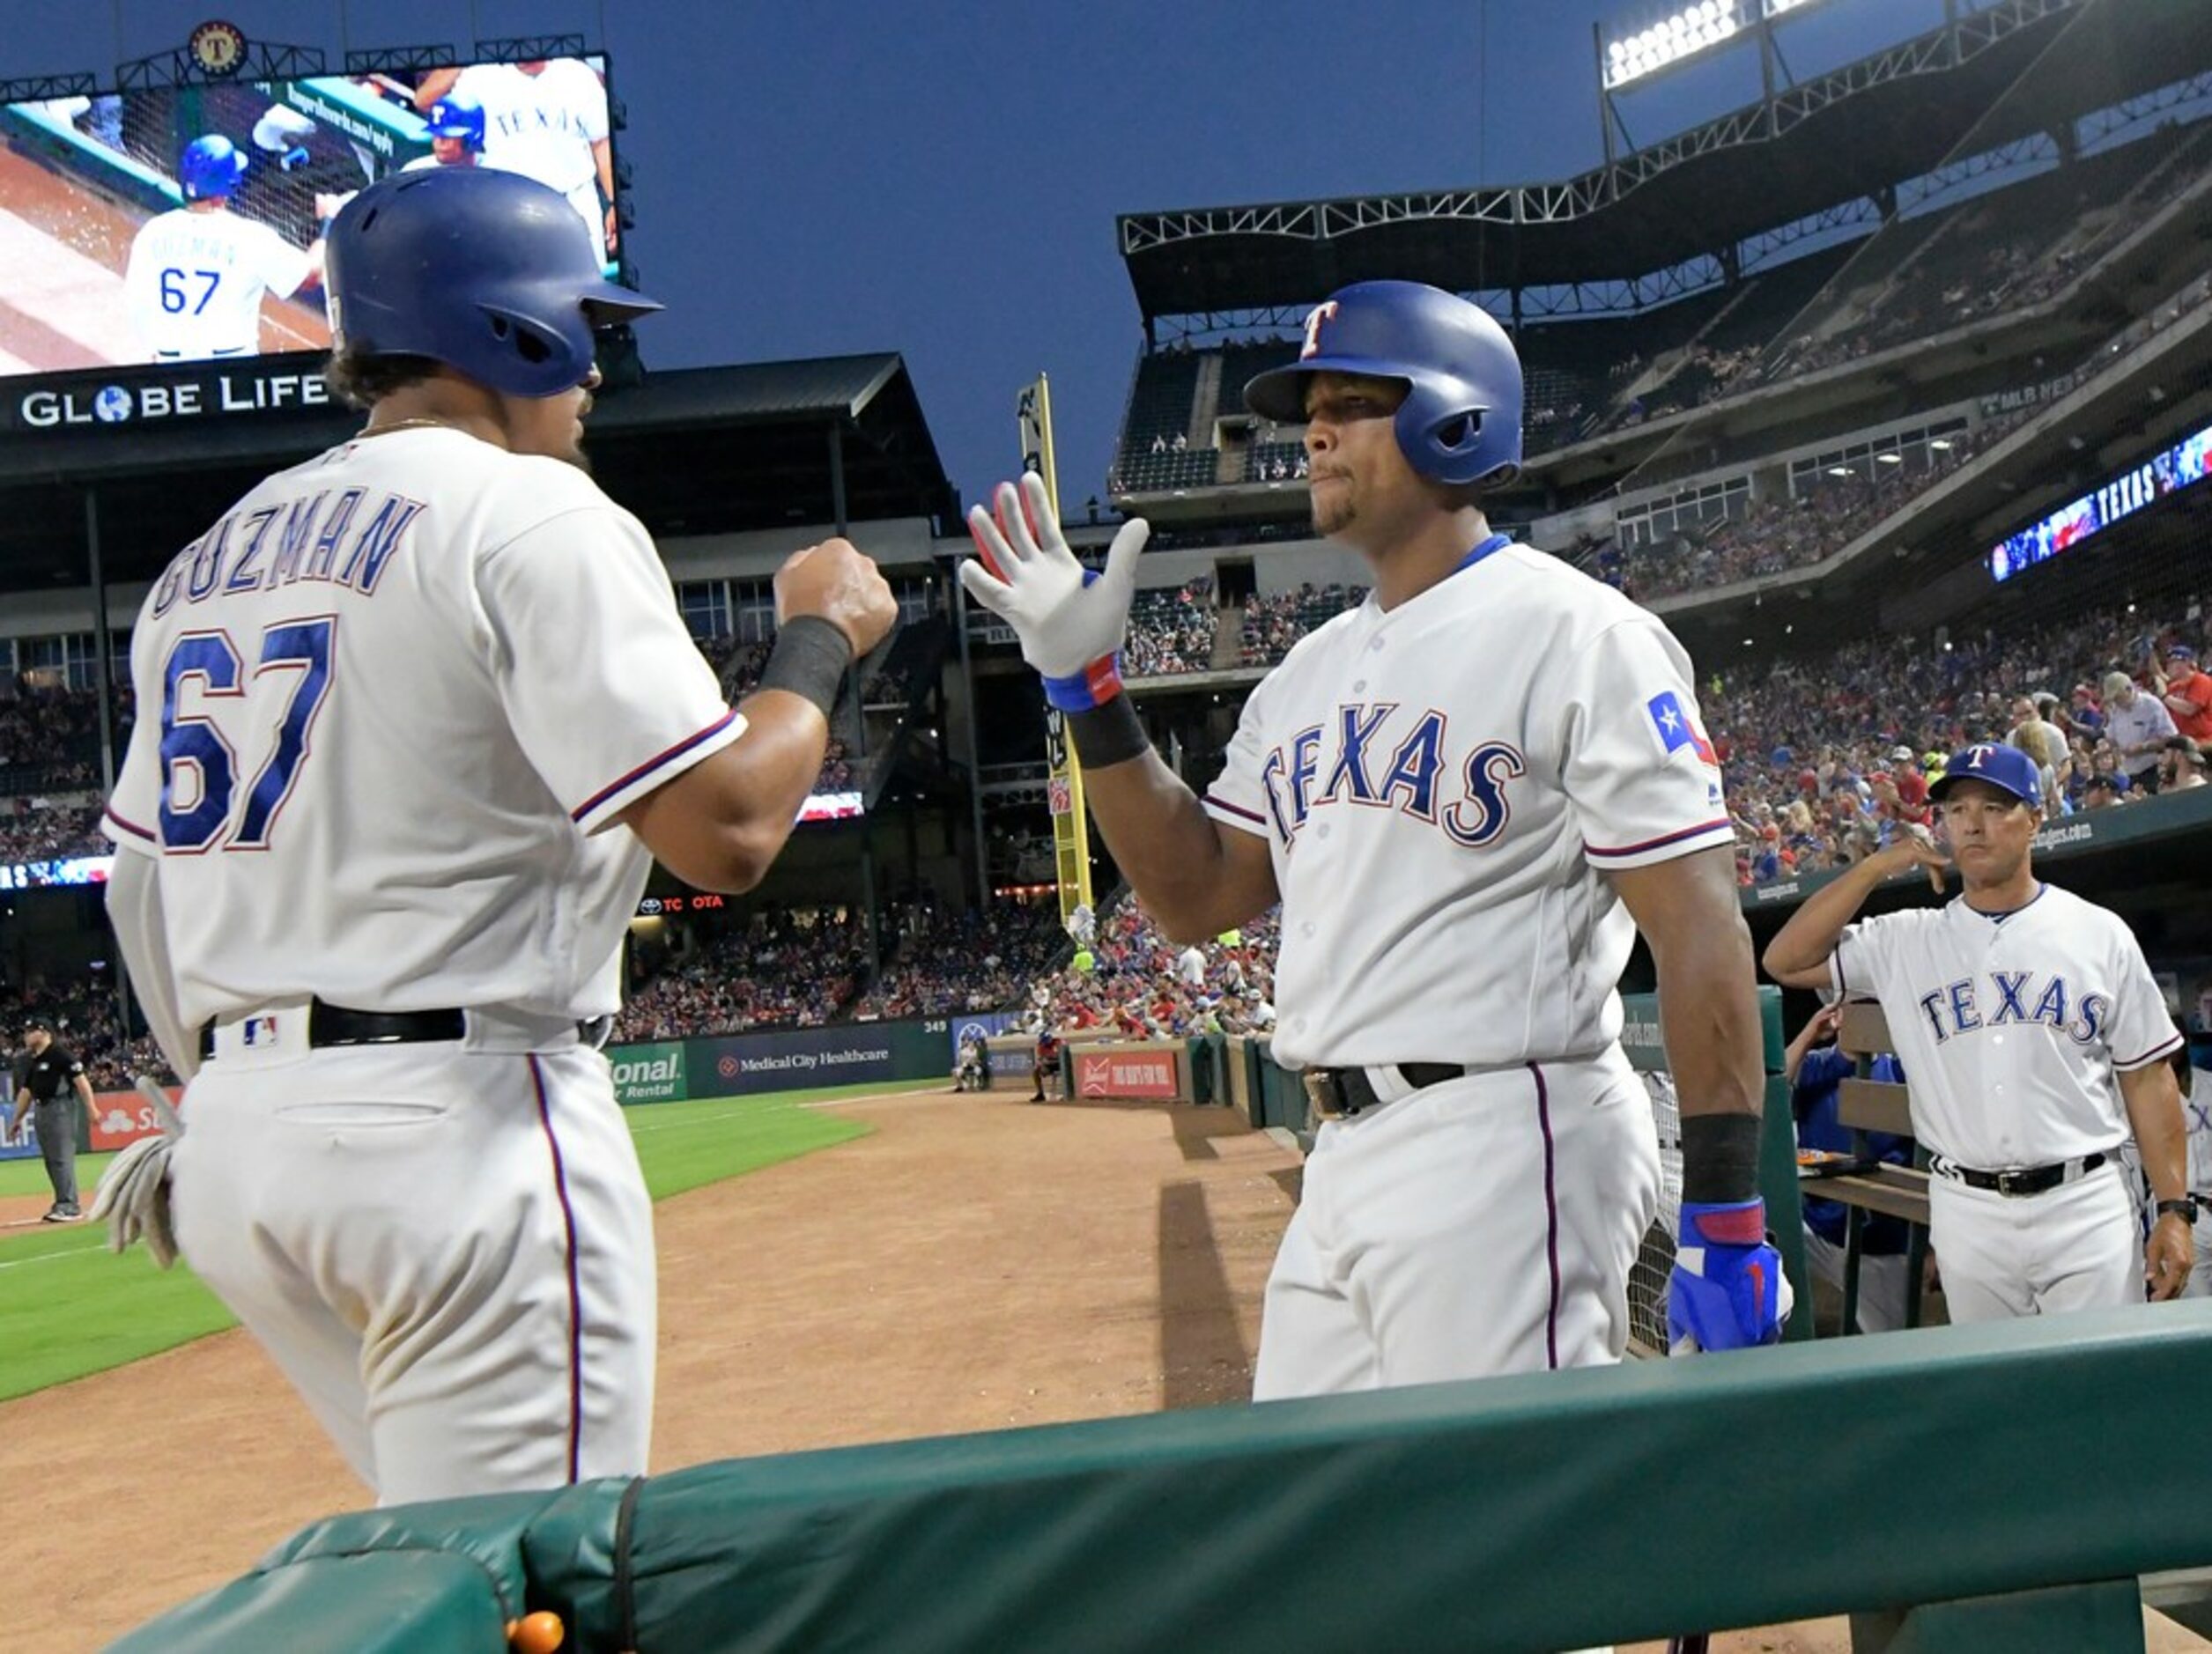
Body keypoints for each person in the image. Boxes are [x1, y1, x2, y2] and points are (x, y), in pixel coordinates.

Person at [93, 166, 896, 1506]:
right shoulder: (530, 510)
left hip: (235, 1154)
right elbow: (730, 827)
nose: (597, 371)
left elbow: (139, 889)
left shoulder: (203, 561)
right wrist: (818, 636)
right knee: (545, 1581)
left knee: (443, 1554)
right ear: (513, 332)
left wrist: (244, 1090)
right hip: (455, 1138)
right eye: (588, 330)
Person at [961, 280, 1783, 1399]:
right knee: (1329, 1532)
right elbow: (1195, 896)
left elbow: (1698, 933)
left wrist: (1728, 1210)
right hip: (1340, 1150)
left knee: (1492, 1546)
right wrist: (1089, 692)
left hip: (1504, 1134)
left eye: (1350, 402)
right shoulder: (1302, 678)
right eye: (1311, 407)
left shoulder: (1579, 633)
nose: (1313, 430)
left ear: (1456, 420)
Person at [1763, 743, 2193, 1321]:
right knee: (1996, 1395)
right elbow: (1784, 961)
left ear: (2035, 818)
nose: (1971, 822)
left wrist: (2172, 1208)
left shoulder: (2097, 932)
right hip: (1966, 1207)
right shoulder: (1904, 939)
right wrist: (1871, 868)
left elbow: (2147, 1077)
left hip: (2083, 1199)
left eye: (1994, 806)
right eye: (1955, 809)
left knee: (2095, 1391)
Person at [124, 135, 327, 362]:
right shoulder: (249, 236)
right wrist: (328, 223)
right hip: (232, 366)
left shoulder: (153, 232)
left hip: (171, 365)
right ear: (230, 183)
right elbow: (310, 276)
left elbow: (137, 305)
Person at [1785, 1002, 1912, 1333]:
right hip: (1815, 1229)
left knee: (1892, 1348)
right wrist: (1810, 1033)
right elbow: (1764, 1086)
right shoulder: (1816, 1065)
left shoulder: (1900, 1070)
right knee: (1758, 1238)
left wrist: (1930, 1249)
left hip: (1877, 1243)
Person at [413, 60, 615, 256]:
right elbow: (424, 100)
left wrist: (615, 201)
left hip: (574, 200)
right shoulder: (484, 75)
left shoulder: (576, 74)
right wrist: (467, 56)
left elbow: (602, 142)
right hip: (511, 207)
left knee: (587, 286)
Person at [14, 1018, 96, 1222]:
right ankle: (62, 1201)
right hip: (41, 1109)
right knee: (51, 1160)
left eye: (29, 1031)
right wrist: (17, 1119)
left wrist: (92, 1108)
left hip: (61, 1108)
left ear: (43, 1033)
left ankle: (69, 1205)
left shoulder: (60, 1054)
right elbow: (26, 1091)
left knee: (61, 1158)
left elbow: (82, 1082)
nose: (26, 1036)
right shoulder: (35, 1060)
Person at [2103, 670, 2177, 796]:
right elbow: (2111, 738)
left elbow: (2171, 738)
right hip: (2131, 773)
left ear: (2128, 689)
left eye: (2118, 697)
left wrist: (2143, 747)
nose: (2116, 701)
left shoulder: (2151, 705)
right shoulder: (2115, 711)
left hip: (2153, 770)